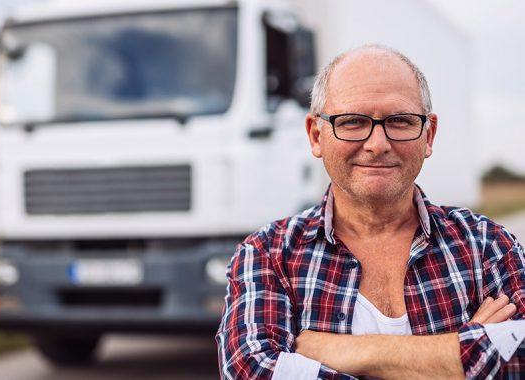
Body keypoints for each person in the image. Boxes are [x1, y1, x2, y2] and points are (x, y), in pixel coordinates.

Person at [216, 44, 525, 379]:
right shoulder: (268, 255)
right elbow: (253, 371)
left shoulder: (486, 245)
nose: (378, 144)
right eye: (352, 122)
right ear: (315, 135)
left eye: (401, 121)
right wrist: (464, 350)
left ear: (428, 134)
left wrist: (340, 350)